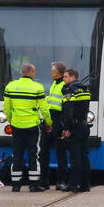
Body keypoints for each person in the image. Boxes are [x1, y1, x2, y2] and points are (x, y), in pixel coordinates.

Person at [3, 63, 50, 191]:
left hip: (17, 126)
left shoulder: (10, 86)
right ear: (32, 73)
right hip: (32, 126)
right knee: (33, 154)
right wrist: (49, 122)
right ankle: (34, 185)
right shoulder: (37, 87)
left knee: (17, 154)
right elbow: (44, 108)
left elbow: (6, 108)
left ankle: (16, 185)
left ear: (22, 72)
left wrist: (11, 120)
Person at [58, 68, 92, 193]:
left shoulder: (69, 90)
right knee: (84, 156)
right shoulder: (85, 89)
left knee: (75, 157)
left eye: (66, 76)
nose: (64, 79)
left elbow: (68, 111)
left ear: (73, 77)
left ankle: (72, 184)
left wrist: (66, 128)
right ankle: (85, 185)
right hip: (84, 125)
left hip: (74, 127)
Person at [38, 61, 68, 189]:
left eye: (52, 70)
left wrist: (64, 124)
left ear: (58, 72)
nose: (51, 72)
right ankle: (44, 181)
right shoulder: (54, 84)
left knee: (60, 152)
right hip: (49, 120)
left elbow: (66, 107)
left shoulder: (64, 86)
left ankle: (61, 181)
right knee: (43, 152)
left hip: (58, 121)